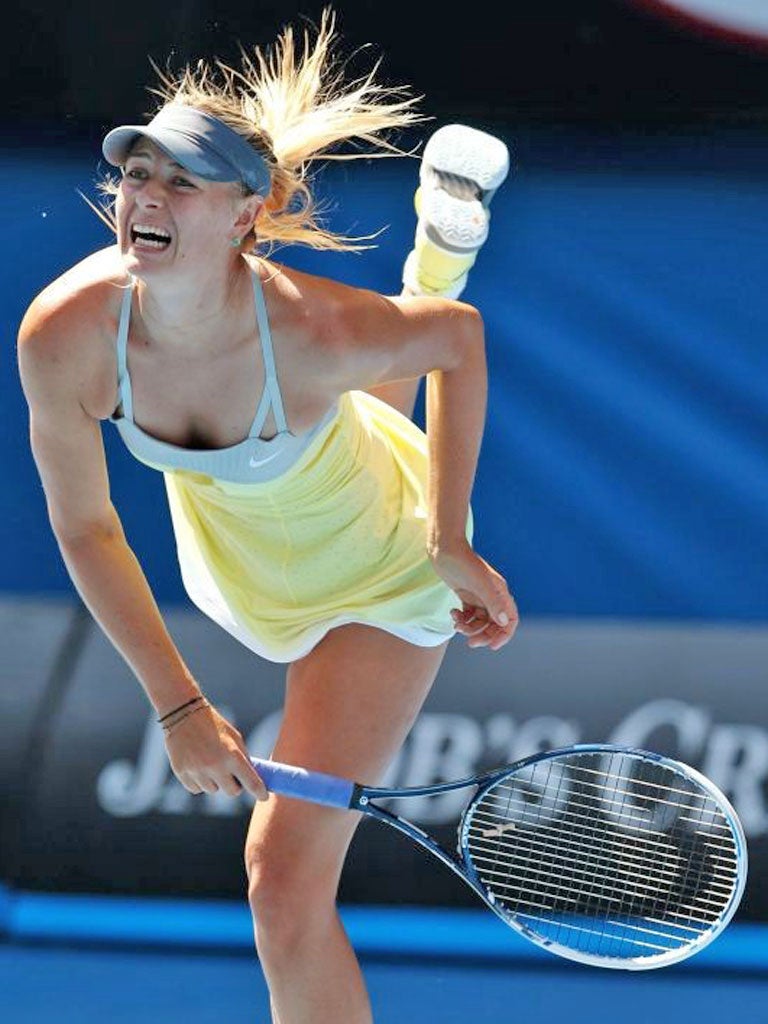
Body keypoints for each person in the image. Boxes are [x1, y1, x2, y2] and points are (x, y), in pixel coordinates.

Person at [17, 9, 517, 1022]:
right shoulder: (65, 335)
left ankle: (436, 262)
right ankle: (430, 258)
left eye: (183, 182)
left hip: (382, 574)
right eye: (139, 174)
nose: (147, 197)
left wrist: (448, 538)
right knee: (337, 414)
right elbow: (87, 528)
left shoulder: (309, 325)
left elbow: (459, 342)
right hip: (247, 567)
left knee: (281, 889)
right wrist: (178, 705)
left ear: (248, 214)